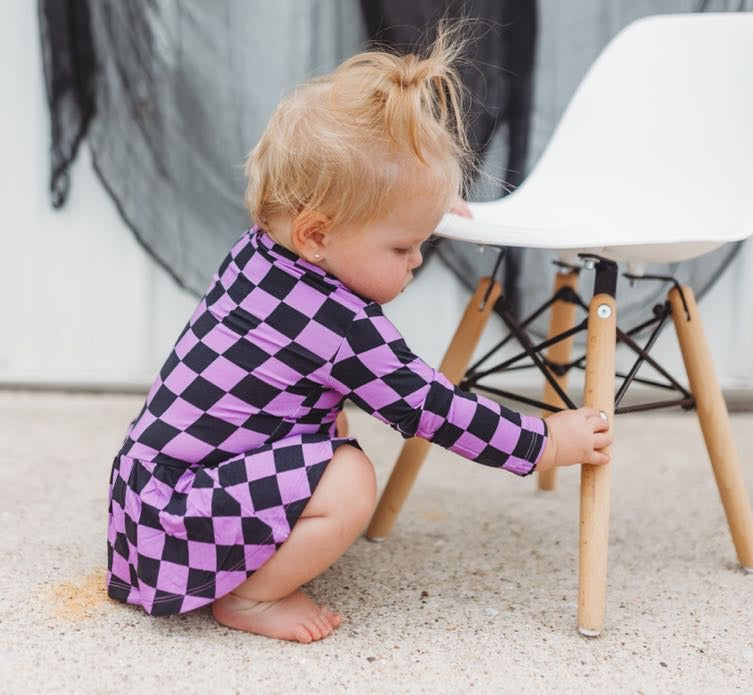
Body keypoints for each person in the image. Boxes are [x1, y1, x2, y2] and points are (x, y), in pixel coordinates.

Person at [106, 22, 612, 644]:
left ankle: (251, 554)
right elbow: (433, 408)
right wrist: (539, 441)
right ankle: (250, 599)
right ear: (317, 235)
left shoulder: (261, 252)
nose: (417, 260)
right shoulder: (342, 326)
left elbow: (353, 216)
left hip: (144, 496)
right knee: (350, 478)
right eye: (403, 245)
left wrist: (415, 207)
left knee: (323, 416)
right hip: (180, 526)